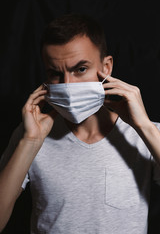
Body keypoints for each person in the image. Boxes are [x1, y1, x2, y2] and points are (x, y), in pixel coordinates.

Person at [0, 13, 160, 234]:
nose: (68, 84)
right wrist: (30, 141)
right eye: (55, 74)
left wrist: (144, 126)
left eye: (80, 69)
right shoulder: (30, 134)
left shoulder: (146, 135)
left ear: (107, 67)